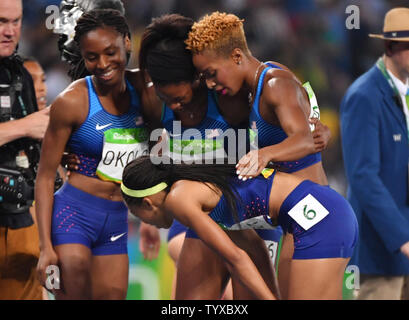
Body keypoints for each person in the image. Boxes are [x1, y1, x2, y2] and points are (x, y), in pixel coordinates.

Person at [185, 11, 331, 299]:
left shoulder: (276, 83)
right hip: (295, 219)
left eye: (211, 74)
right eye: (204, 77)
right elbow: (313, 127)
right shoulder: (257, 88)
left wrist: (265, 155)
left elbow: (303, 138)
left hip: (314, 217)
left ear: (237, 56)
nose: (211, 84)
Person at [121, 155, 358, 300]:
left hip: (318, 219)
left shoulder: (179, 199)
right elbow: (253, 249)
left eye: (137, 215)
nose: (147, 222)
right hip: (320, 214)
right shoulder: (200, 193)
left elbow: (235, 259)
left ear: (147, 203)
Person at [35, 9, 149, 300]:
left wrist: (150, 217)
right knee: (74, 281)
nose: (102, 64)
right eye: (91, 57)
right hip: (73, 213)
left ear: (127, 42)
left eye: (110, 52)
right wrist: (45, 247)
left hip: (117, 217)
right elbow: (46, 175)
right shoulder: (72, 102)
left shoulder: (147, 92)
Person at [340, 7, 409, 300]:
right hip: (379, 253)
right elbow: (363, 177)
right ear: (390, 46)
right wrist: (402, 237)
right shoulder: (364, 96)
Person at [0, 0, 50, 300]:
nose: (10, 31)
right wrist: (22, 127)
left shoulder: (21, 75)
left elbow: (34, 150)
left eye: (16, 21)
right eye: (1, 21)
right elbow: (29, 127)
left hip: (20, 221)